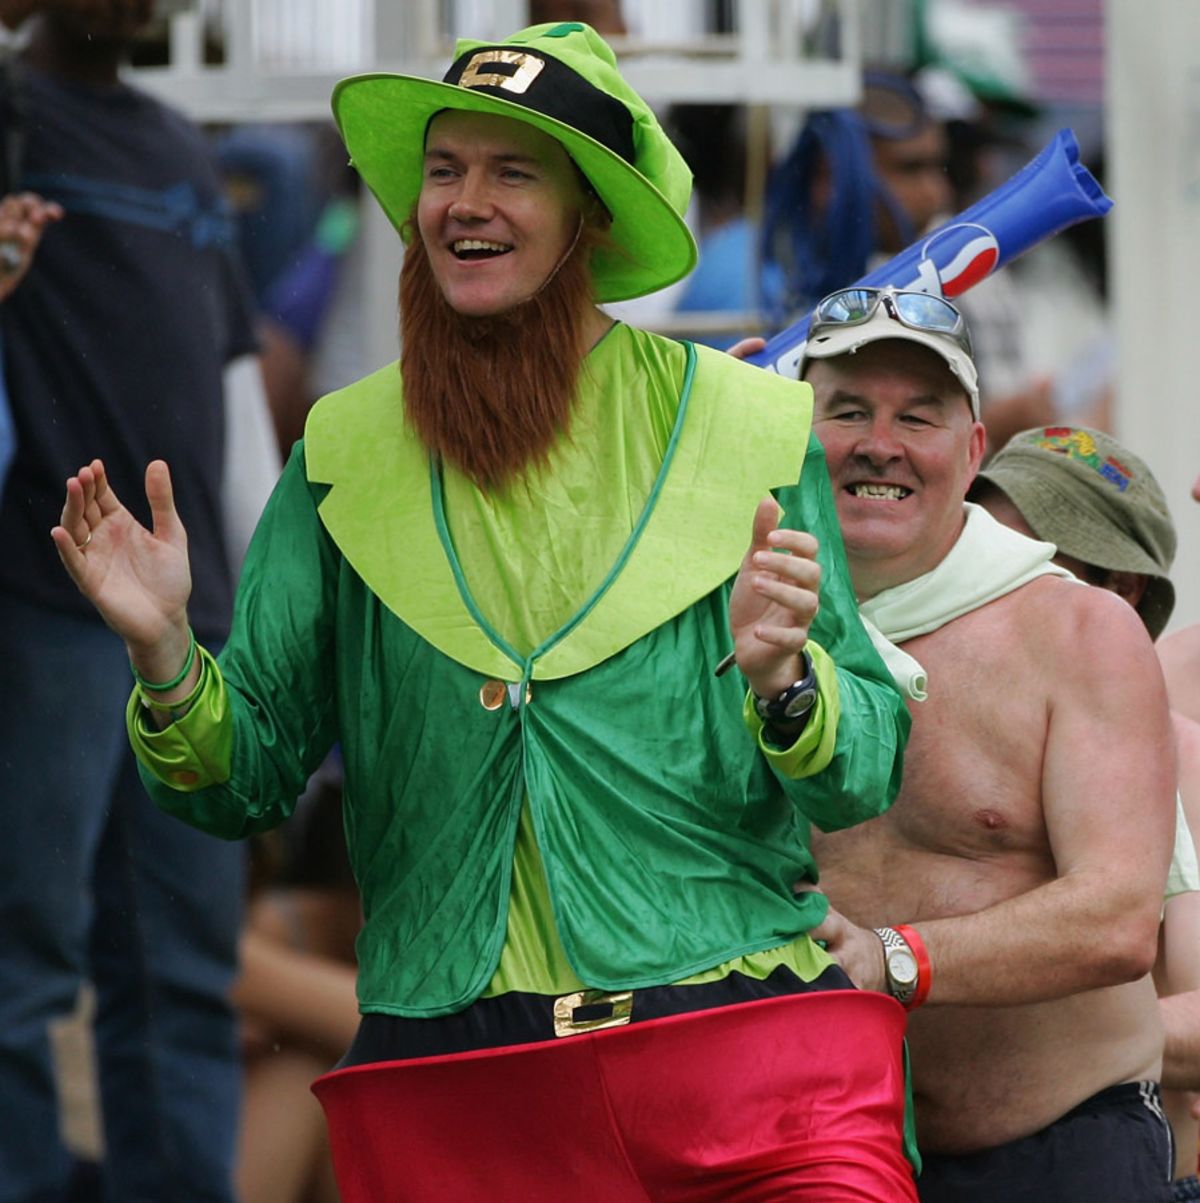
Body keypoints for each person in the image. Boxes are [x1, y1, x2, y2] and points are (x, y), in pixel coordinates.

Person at [52, 21, 917, 1203]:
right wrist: (163, 654)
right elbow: (247, 779)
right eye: (446, 169)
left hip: (740, 1064)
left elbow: (861, 769)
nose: (468, 201)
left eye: (515, 171)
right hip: (461, 1091)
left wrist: (787, 684)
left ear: (588, 220)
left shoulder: (743, 429)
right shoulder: (342, 454)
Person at [792, 285, 1176, 1201]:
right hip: (811, 1148)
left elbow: (1120, 920)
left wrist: (890, 959)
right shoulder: (732, 621)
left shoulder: (1077, 630)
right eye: (847, 410)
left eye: (916, 416)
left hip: (1060, 1147)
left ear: (970, 452)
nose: (878, 442)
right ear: (789, 433)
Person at [0, 2, 258, 1199]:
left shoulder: (178, 145)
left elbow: (231, 382)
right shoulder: (13, 117)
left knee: (185, 970)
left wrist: (252, 603)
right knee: (23, 965)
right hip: (37, 606)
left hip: (187, 629)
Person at [969, 426, 1200, 1193]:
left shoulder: (1169, 747)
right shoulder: (888, 711)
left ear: (1121, 591)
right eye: (973, 540)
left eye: (1028, 558)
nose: (981, 574)